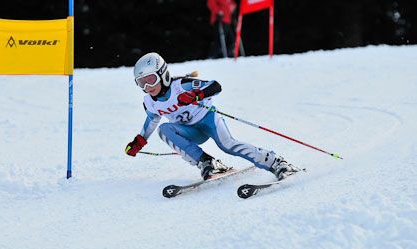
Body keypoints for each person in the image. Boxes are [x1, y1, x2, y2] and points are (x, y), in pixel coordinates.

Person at [125, 52, 299, 180]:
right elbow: (151, 121)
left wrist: (196, 95)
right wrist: (139, 141)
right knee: (164, 130)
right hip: (190, 131)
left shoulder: (181, 85)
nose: (148, 87)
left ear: (163, 74)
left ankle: (275, 162)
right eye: (141, 83)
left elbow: (215, 86)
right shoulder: (150, 102)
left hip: (209, 120)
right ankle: (207, 163)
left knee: (228, 145)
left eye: (151, 80)